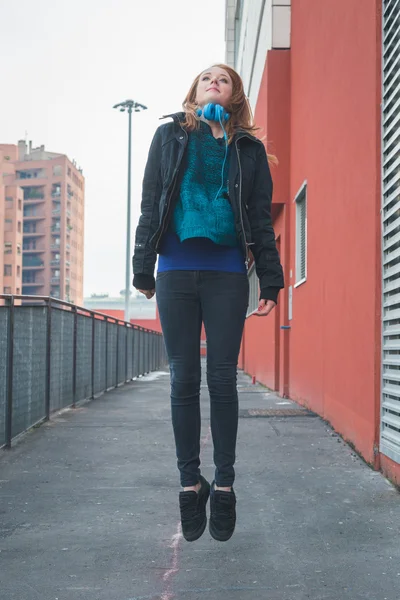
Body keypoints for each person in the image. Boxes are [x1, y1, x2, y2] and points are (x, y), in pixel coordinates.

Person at [132, 64, 284, 542]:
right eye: (206, 77)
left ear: (235, 94)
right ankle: (188, 482)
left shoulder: (247, 149)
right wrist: (142, 266)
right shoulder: (169, 136)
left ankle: (224, 484)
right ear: (193, 91)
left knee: (221, 377)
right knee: (183, 377)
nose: (214, 81)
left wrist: (272, 283)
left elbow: (260, 218)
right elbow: (151, 201)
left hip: (225, 275)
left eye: (223, 78)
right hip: (175, 270)